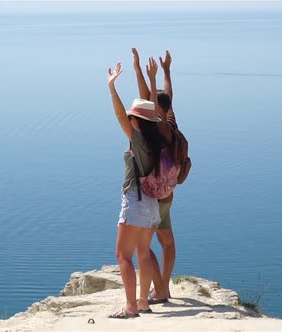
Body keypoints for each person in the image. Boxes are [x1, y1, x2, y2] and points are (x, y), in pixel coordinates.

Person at [107, 57, 168, 318]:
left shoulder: (139, 140)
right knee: (143, 252)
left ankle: (131, 306)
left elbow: (120, 115)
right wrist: (154, 78)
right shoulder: (158, 139)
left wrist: (111, 87)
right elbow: (151, 105)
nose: (129, 120)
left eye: (133, 117)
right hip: (152, 203)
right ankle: (143, 301)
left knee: (123, 255)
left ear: (137, 122)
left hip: (135, 200)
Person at [132, 48, 177, 304]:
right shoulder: (171, 121)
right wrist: (166, 71)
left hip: (152, 196)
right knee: (167, 241)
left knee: (141, 243)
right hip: (167, 193)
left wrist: (146, 75)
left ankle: (159, 289)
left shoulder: (157, 127)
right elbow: (166, 95)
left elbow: (151, 99)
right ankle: (165, 287)